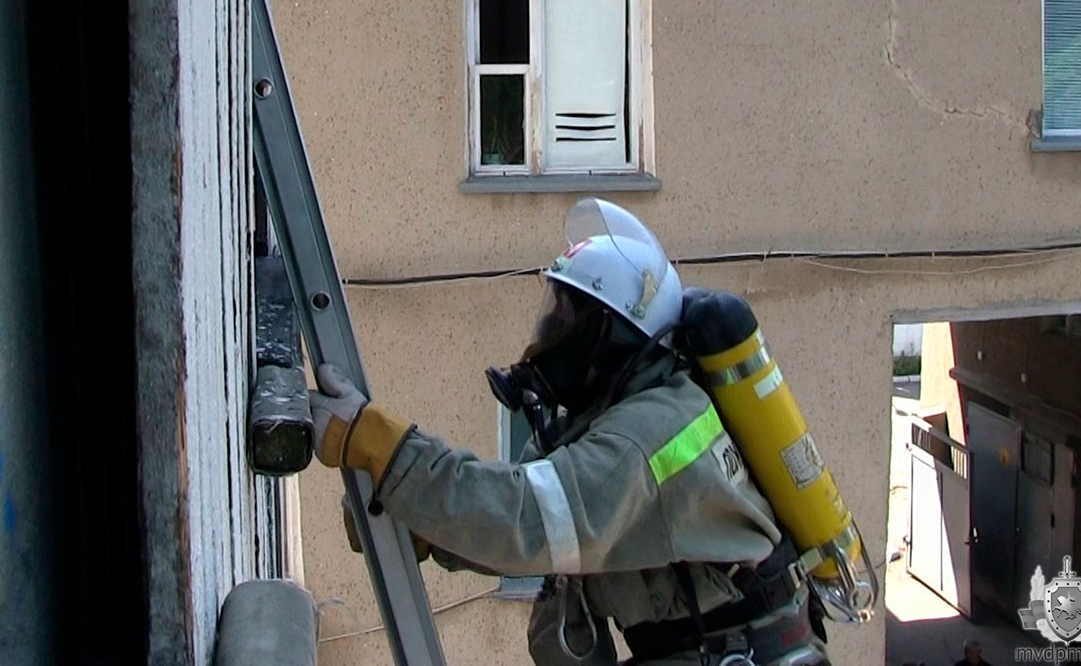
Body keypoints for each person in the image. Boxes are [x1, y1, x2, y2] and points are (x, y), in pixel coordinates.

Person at [310, 198, 830, 665]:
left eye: (566, 316)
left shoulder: (645, 435)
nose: (549, 333)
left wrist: (384, 449)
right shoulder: (620, 416)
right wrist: (423, 517)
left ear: (612, 334)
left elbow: (527, 520)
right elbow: (522, 516)